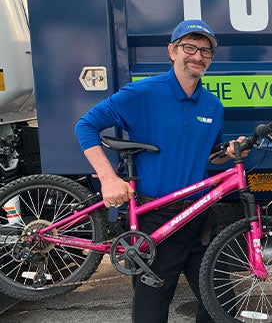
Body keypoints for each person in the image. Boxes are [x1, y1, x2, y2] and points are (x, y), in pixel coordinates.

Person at [75, 19, 243, 323]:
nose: (197, 55)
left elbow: (210, 156)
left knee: (221, 306)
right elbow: (85, 125)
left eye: (205, 50)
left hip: (200, 219)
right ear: (172, 51)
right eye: (189, 47)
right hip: (157, 218)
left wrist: (228, 152)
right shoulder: (142, 93)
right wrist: (109, 179)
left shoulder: (212, 106)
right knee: (151, 311)